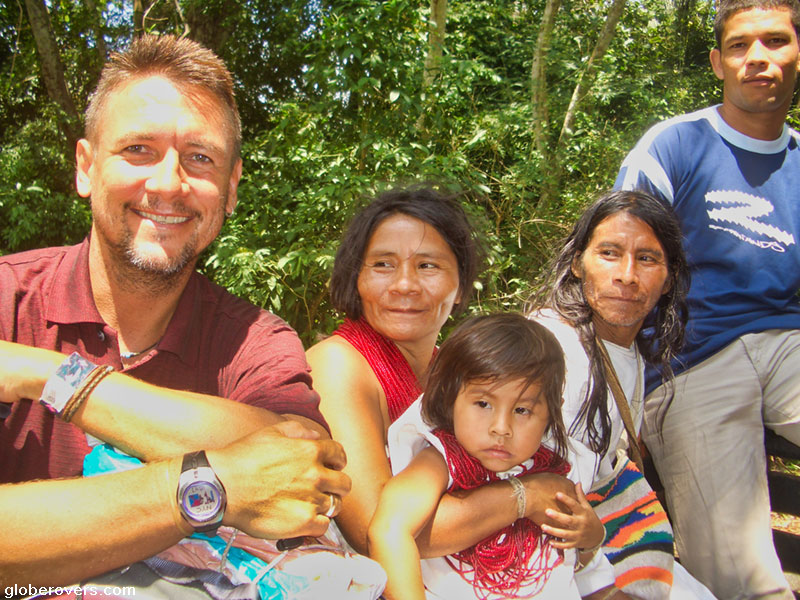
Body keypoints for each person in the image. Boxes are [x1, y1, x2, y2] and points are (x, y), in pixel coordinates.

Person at [0, 35, 350, 590]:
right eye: (138, 149)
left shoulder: (256, 340)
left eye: (200, 158)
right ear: (85, 168)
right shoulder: (6, 298)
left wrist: (48, 375)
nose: (167, 183)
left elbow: (307, 465)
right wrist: (219, 484)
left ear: (230, 190)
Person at [614, 0, 800, 597]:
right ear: (719, 63)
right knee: (738, 572)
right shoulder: (674, 146)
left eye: (775, 42)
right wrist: (615, 391)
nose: (758, 59)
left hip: (791, 345)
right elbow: (620, 259)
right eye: (741, 46)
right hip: (690, 358)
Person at [306, 188, 580, 562]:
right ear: (357, 278)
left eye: (427, 266)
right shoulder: (338, 364)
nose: (404, 285)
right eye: (383, 264)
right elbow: (377, 533)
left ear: (461, 284)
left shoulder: (460, 374)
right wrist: (526, 496)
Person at [528, 190, 716, 600]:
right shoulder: (555, 352)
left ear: (668, 279)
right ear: (578, 263)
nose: (627, 275)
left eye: (647, 258)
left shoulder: (623, 347)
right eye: (609, 253)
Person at [370, 313, 619, 600]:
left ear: (552, 411)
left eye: (522, 410)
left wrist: (589, 539)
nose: (501, 428)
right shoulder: (440, 460)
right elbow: (389, 530)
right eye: (484, 403)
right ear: (451, 399)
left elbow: (580, 567)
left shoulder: (561, 468)